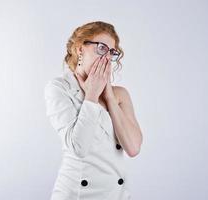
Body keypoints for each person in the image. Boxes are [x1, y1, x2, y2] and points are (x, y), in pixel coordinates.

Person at [44, 21, 143, 200]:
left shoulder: (120, 94)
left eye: (112, 52)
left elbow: (133, 148)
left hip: (117, 194)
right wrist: (91, 95)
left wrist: (109, 97)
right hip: (77, 194)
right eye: (101, 48)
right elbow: (78, 147)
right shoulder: (60, 88)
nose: (106, 57)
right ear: (80, 49)